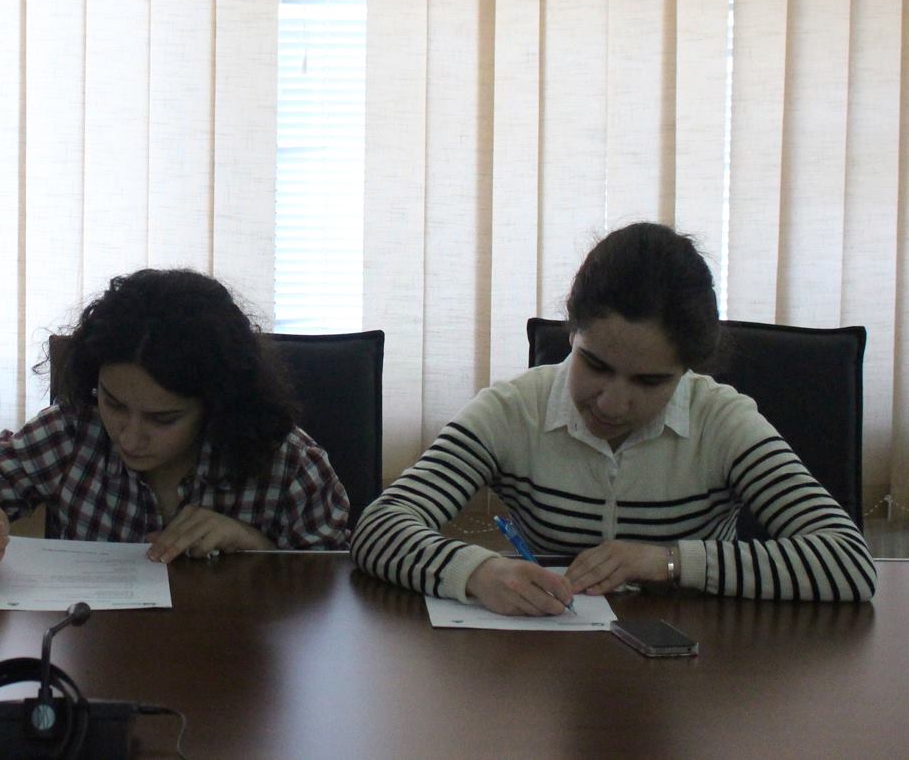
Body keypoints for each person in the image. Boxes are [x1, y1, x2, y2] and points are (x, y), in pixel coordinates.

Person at [352, 222, 876, 613]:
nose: (611, 404)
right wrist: (479, 572)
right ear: (572, 334)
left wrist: (667, 562)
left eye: (649, 382)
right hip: (550, 668)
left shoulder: (722, 421)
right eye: (596, 365)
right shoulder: (514, 410)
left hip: (697, 672)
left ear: (686, 371)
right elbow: (379, 527)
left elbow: (847, 561)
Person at [0, 268, 350, 566]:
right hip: (93, 657)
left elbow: (337, 586)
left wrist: (253, 545)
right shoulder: (73, 430)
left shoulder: (288, 462)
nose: (130, 437)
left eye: (163, 419)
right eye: (114, 404)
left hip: (232, 666)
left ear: (217, 404)